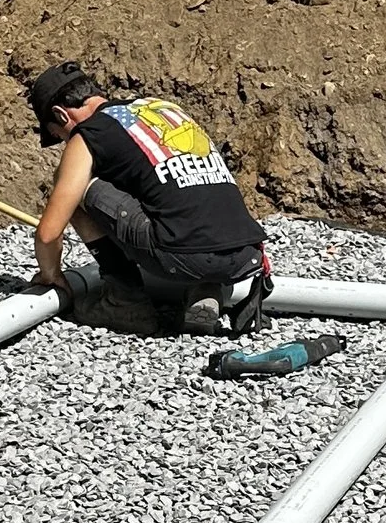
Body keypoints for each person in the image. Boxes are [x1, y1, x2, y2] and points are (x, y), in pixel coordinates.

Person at [25, 62, 270, 334]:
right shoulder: (162, 109)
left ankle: (125, 301)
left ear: (61, 115)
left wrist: (51, 275)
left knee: (73, 185)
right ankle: (205, 289)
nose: (64, 141)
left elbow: (48, 234)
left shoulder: (90, 134)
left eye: (58, 135)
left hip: (188, 259)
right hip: (246, 255)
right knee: (176, 202)